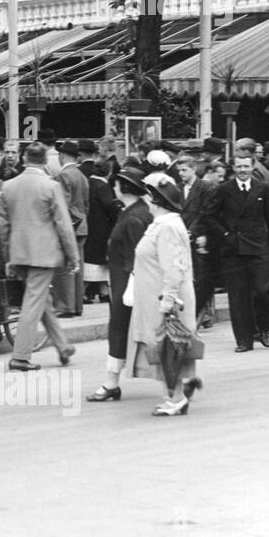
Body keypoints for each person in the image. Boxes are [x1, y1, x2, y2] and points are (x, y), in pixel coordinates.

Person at [0, 141, 79, 370]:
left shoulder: (9, 186)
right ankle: (21, 356)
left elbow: (2, 226)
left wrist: (8, 257)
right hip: (44, 254)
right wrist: (73, 256)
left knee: (42, 301)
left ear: (24, 159)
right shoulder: (51, 187)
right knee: (34, 302)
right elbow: (63, 224)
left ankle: (63, 346)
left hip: (19, 253)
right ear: (45, 162)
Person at [124, 180, 201, 416]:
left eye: (149, 194)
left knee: (169, 348)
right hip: (155, 298)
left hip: (164, 300)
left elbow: (173, 267)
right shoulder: (161, 224)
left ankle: (176, 397)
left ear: (157, 200)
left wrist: (168, 299)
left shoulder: (167, 227)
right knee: (166, 347)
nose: (145, 198)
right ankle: (177, 391)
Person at [86, 166, 153, 402]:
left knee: (121, 330)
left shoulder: (134, 217)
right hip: (127, 281)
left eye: (115, 184)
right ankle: (177, 380)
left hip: (129, 283)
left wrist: (131, 286)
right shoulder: (135, 212)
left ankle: (111, 383)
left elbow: (139, 255)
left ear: (123, 188)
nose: (112, 188)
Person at [205, 154, 269, 352]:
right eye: (238, 166)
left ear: (252, 166)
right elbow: (209, 215)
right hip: (234, 249)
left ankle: (263, 328)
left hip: (258, 247)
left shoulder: (262, 188)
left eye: (246, 166)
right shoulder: (224, 190)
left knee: (263, 291)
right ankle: (244, 340)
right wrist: (226, 234)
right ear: (233, 168)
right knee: (238, 296)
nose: (242, 170)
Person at [177, 154, 218, 329]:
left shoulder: (205, 188)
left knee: (202, 276)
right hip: (181, 235)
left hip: (199, 235)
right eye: (179, 170)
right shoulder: (177, 188)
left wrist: (194, 231)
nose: (181, 174)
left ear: (194, 169)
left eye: (184, 170)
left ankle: (205, 312)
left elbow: (205, 212)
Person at [53, 139, 89, 316]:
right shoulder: (81, 175)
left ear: (61, 156)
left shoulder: (64, 176)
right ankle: (76, 305)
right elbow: (86, 204)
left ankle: (66, 306)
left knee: (65, 266)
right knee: (77, 266)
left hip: (70, 226)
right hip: (82, 225)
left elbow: (62, 205)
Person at [82, 158, 120, 304]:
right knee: (98, 261)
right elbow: (109, 206)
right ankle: (85, 292)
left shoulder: (89, 182)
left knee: (93, 261)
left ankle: (104, 292)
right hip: (102, 228)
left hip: (90, 226)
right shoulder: (103, 186)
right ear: (109, 172)